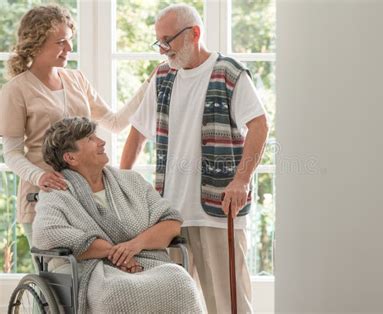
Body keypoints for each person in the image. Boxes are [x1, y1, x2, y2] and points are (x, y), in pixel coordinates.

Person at [120, 4, 269, 313]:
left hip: (217, 209)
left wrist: (242, 179)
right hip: (169, 215)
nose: (162, 49)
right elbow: (137, 132)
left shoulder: (229, 73)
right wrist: (123, 183)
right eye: (158, 41)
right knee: (173, 303)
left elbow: (259, 124)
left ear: (194, 34)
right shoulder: (162, 76)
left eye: (168, 40)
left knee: (229, 304)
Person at [0, 4, 152, 246]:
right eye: (61, 42)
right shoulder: (16, 90)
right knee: (61, 277)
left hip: (88, 197)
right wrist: (41, 177)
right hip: (44, 198)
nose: (69, 48)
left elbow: (114, 123)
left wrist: (149, 84)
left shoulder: (76, 79)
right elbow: (12, 153)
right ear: (37, 43)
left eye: (70, 40)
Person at [32, 117, 203, 313]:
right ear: (71, 157)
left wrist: (134, 245)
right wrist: (113, 252)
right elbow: (47, 233)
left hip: (144, 261)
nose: (101, 142)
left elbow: (170, 221)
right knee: (120, 292)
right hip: (91, 269)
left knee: (180, 281)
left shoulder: (131, 181)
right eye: (90, 139)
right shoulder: (57, 193)